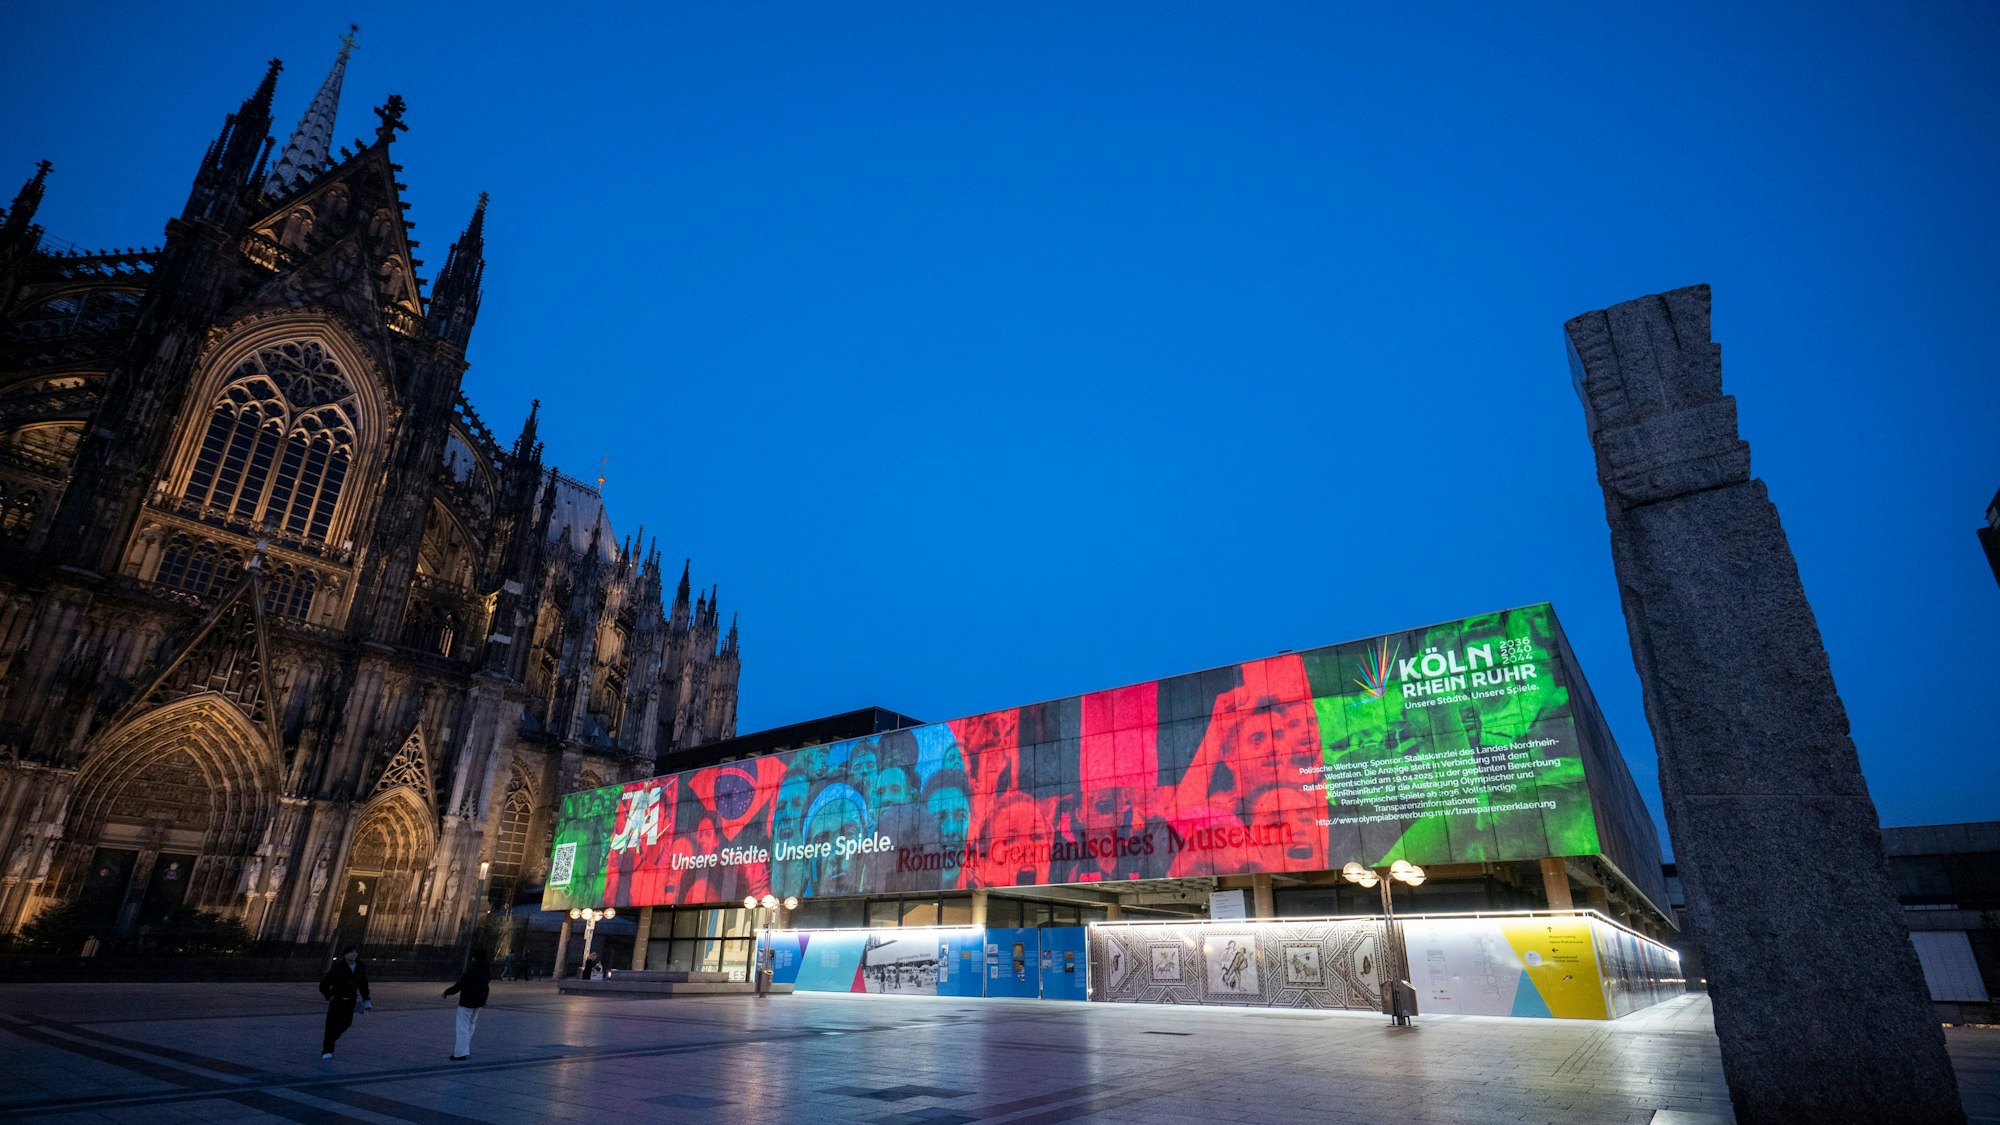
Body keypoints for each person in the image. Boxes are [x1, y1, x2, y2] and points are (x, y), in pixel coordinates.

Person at [318, 945, 371, 1059]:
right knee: (331, 1025)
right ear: (345, 955)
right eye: (351, 952)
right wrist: (330, 996)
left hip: (351, 1001)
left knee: (346, 1024)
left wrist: (366, 998)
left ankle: (329, 1041)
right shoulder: (338, 967)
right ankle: (327, 1050)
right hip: (337, 1000)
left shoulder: (360, 967)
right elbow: (324, 985)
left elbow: (363, 984)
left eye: (355, 952)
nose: (354, 954)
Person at [441, 948, 491, 1061]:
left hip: (468, 1001)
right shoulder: (486, 969)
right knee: (471, 1025)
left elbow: (459, 985)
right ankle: (465, 1048)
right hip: (480, 1001)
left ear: (474, 957)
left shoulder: (472, 969)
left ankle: (460, 1052)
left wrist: (446, 992)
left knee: (462, 1027)